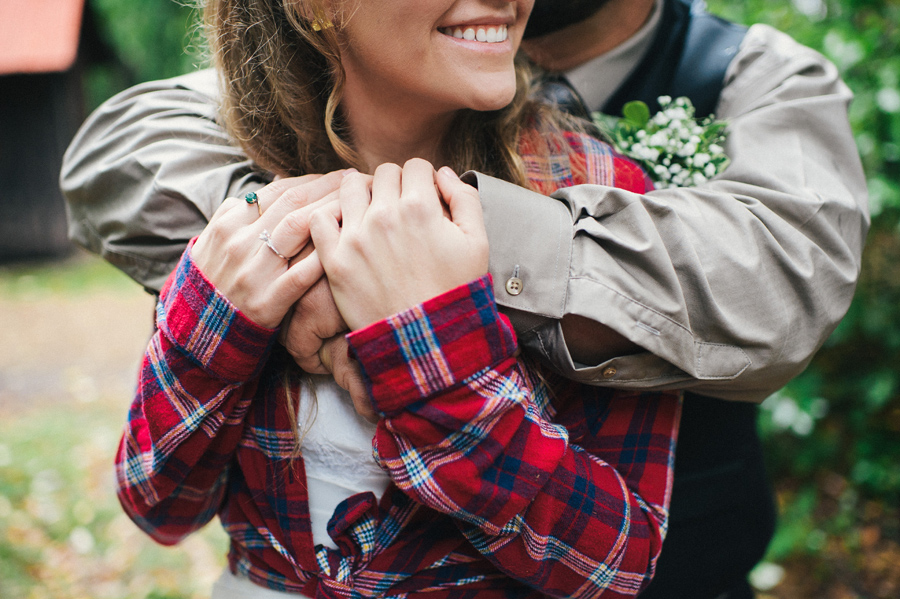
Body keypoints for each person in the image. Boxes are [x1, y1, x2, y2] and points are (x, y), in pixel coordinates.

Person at [61, 0, 869, 597]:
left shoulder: (741, 84)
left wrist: (432, 300)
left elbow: (787, 287)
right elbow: (159, 497)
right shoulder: (286, 142)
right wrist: (303, 236)